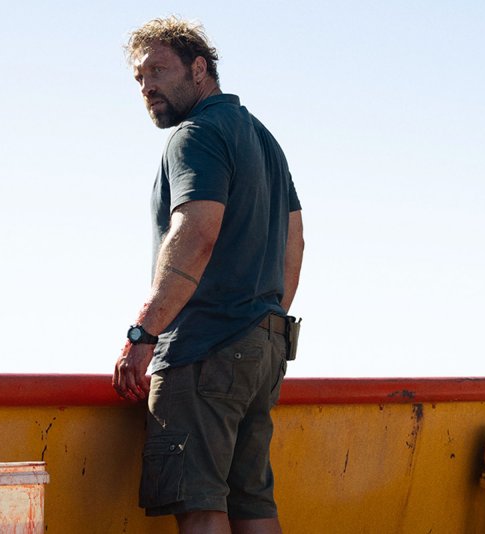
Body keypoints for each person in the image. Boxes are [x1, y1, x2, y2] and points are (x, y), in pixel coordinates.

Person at [113, 16, 304, 534]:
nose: (147, 86)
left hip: (205, 349)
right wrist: (260, 320)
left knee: (201, 507)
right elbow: (295, 242)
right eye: (139, 77)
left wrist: (143, 333)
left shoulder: (196, 135)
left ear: (199, 69)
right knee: (253, 505)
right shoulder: (263, 140)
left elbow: (196, 232)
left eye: (158, 70)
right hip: (261, 347)